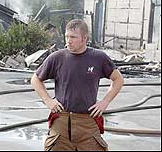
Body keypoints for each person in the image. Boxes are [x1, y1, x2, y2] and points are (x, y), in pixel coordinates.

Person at [31, 19, 124, 151]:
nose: (68, 41)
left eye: (73, 37)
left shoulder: (98, 58)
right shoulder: (57, 58)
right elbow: (35, 79)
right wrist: (48, 101)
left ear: (84, 38)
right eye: (66, 36)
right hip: (61, 123)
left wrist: (104, 102)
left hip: (87, 123)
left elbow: (118, 80)